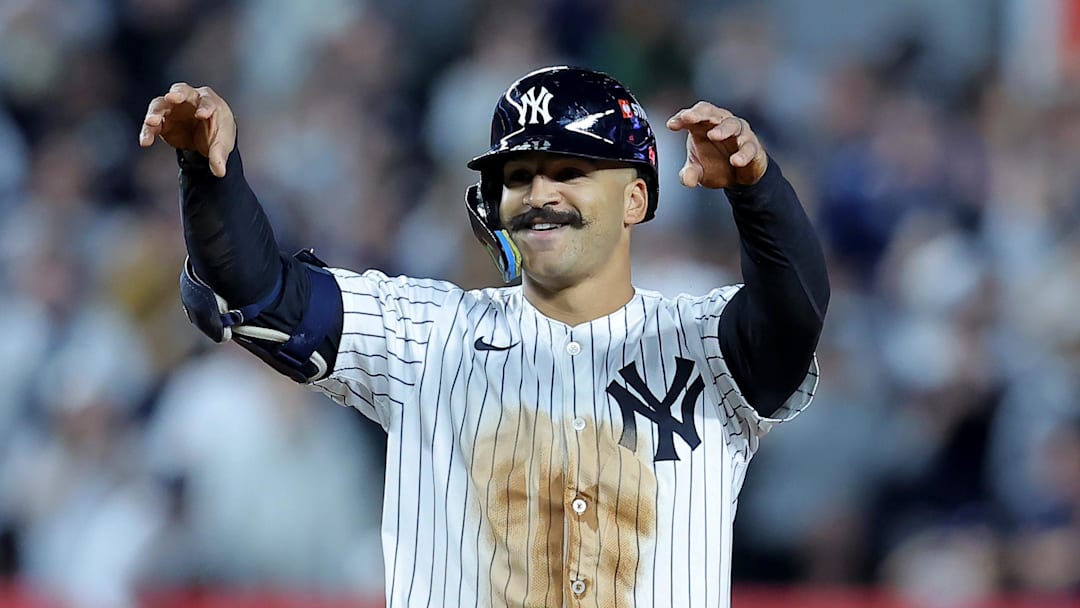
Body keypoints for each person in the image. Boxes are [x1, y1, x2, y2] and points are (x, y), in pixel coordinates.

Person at [138, 66, 829, 608]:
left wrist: (758, 190)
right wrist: (205, 170)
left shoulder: (703, 342)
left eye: (570, 172)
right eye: (519, 175)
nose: (540, 193)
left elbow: (796, 315)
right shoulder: (425, 335)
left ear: (636, 199)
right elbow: (259, 290)